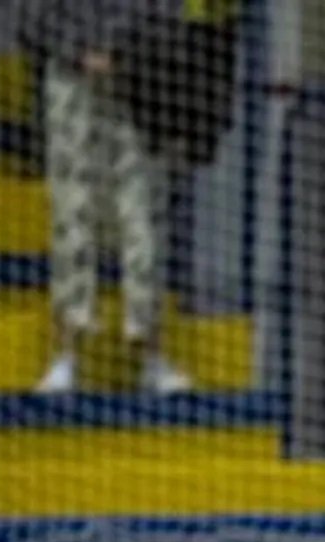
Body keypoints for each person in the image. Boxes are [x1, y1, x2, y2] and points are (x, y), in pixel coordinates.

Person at [23, 0, 215, 395]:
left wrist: (127, 56)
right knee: (72, 213)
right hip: (71, 82)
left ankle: (150, 352)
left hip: (138, 87)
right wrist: (79, 52)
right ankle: (66, 353)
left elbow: (172, 19)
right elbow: (34, 21)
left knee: (144, 216)